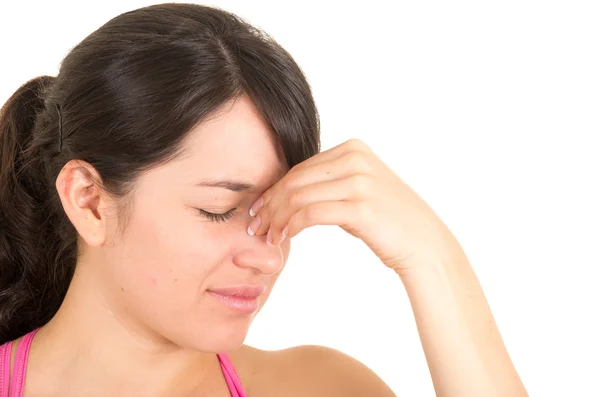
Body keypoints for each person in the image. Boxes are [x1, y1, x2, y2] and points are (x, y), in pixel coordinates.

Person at [0, 3, 528, 396]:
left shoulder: (323, 389)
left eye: (278, 208)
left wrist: (432, 259)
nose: (270, 255)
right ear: (89, 200)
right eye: (218, 209)